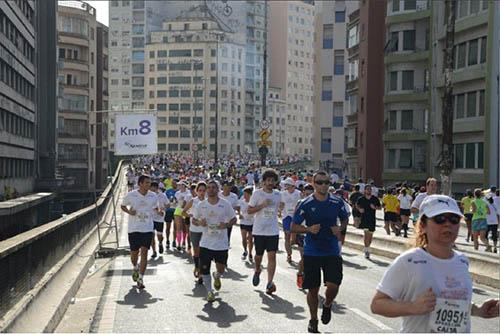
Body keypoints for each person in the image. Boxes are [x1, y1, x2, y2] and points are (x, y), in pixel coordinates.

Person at [371, 194, 500, 332]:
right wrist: (413, 307)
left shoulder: (462, 261)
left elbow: (452, 302)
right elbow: (377, 304)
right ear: (422, 225)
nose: (447, 224)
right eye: (439, 219)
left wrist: (478, 310)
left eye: (454, 219)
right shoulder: (409, 261)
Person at [291, 171, 349, 333]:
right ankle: (313, 319)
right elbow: (293, 227)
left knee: (334, 285)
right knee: (313, 289)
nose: (323, 185)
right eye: (320, 182)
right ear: (314, 183)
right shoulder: (305, 203)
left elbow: (345, 219)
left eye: (326, 182)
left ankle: (328, 304)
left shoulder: (337, 202)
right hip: (312, 251)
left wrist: (340, 228)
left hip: (331, 250)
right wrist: (308, 229)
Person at [192, 180, 237, 302]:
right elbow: (193, 220)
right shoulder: (201, 205)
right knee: (204, 269)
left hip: (221, 243)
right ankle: (209, 291)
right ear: (207, 190)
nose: (211, 189)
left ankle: (217, 276)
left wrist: (226, 224)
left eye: (213, 187)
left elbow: (234, 219)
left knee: (221, 269)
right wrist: (199, 222)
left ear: (218, 190)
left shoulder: (225, 204)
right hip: (206, 243)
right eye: (209, 188)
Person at [120, 175, 158, 289]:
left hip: (147, 228)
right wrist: (129, 212)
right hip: (134, 228)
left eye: (149, 183)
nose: (148, 185)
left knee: (145, 252)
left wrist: (160, 211)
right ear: (140, 183)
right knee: (134, 256)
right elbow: (122, 205)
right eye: (146, 183)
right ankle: (135, 267)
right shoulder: (131, 195)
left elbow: (155, 208)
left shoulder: (153, 196)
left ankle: (141, 278)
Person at [248, 168, 281, 295]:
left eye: (273, 180)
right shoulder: (257, 194)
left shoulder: (278, 194)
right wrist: (262, 205)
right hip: (259, 229)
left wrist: (281, 208)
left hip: (273, 230)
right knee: (258, 256)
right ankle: (257, 269)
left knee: (272, 256)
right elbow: (249, 210)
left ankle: (269, 282)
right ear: (264, 181)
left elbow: (281, 206)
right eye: (268, 180)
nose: (270, 182)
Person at [183, 181, 207, 283]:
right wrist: (191, 215)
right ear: (196, 191)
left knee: (203, 252)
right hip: (194, 230)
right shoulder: (193, 201)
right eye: (200, 190)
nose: (202, 192)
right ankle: (197, 267)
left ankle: (201, 273)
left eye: (203, 190)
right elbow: (183, 212)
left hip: (205, 231)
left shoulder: (208, 201)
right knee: (196, 251)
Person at [279, 177, 302, 263]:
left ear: (292, 185)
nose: (285, 186)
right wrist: (280, 209)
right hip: (287, 216)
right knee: (287, 236)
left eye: (287, 185)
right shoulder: (283, 194)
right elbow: (281, 205)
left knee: (297, 238)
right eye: (285, 185)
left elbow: (302, 204)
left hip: (296, 217)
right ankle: (289, 254)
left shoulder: (298, 193)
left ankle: (301, 256)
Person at [356, 185, 381, 259]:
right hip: (364, 219)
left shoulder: (375, 199)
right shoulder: (361, 198)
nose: (369, 191)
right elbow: (356, 205)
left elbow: (380, 207)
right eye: (367, 189)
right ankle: (367, 251)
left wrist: (375, 207)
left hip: (372, 219)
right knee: (366, 235)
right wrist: (360, 209)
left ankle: (367, 247)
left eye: (370, 189)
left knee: (370, 237)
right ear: (365, 190)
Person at [150, 181, 170, 258]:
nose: (152, 190)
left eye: (154, 189)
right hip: (151, 219)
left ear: (157, 188)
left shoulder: (162, 195)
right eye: (151, 189)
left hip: (160, 218)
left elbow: (168, 205)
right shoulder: (148, 196)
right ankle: (154, 251)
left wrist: (163, 209)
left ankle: (160, 243)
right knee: (151, 236)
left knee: (159, 236)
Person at [174, 181, 192, 251]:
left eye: (181, 184)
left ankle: (184, 242)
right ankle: (178, 244)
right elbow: (175, 201)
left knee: (185, 228)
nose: (179, 186)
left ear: (184, 185)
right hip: (178, 210)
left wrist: (184, 209)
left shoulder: (188, 193)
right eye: (178, 184)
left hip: (186, 210)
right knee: (178, 228)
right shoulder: (177, 193)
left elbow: (186, 203)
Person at [238, 186, 254, 261]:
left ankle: (250, 253)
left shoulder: (253, 202)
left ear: (249, 194)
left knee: (250, 239)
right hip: (243, 222)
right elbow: (238, 208)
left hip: (252, 222)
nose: (244, 195)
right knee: (244, 238)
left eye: (245, 194)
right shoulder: (242, 201)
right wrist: (239, 214)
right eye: (243, 194)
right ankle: (245, 250)